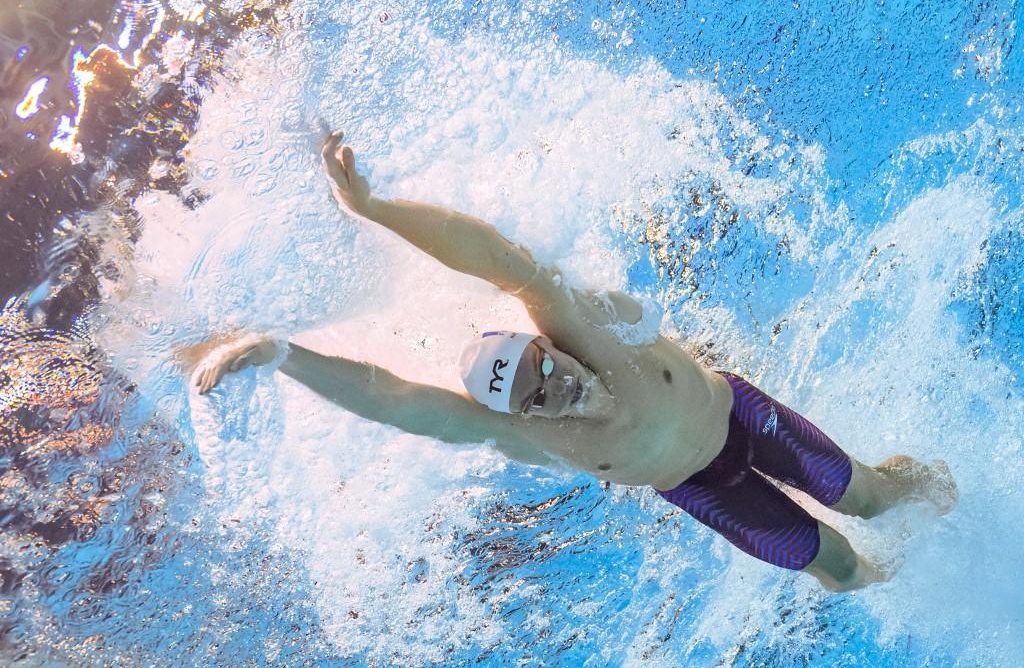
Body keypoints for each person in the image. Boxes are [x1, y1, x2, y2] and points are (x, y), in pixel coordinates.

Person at [191, 131, 958, 592]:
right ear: (518, 417)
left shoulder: (574, 323)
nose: (557, 388)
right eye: (534, 397)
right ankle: (909, 588)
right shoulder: (533, 441)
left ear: (546, 345)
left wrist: (374, 209)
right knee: (835, 563)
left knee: (867, 499)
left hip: (737, 417)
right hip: (701, 489)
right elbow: (394, 400)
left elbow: (486, 252)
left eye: (545, 367)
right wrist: (282, 355)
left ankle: (938, 487)